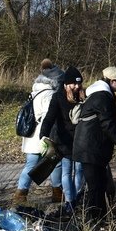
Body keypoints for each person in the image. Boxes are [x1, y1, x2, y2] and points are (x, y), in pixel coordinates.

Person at [73, 66, 116, 221]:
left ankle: (100, 218)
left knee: (100, 185)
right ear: (112, 81)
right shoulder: (102, 97)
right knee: (95, 187)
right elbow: (108, 124)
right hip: (90, 148)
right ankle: (92, 221)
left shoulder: (100, 94)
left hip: (91, 148)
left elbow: (112, 123)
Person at [15, 59, 64, 204]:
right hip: (43, 135)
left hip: (32, 136)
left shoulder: (36, 90)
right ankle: (57, 192)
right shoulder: (49, 94)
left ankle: (21, 193)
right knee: (55, 162)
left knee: (30, 164)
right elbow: (49, 117)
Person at [38, 66, 86, 212]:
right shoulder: (58, 97)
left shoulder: (84, 96)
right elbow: (49, 119)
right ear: (66, 84)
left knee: (79, 170)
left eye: (79, 83)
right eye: (73, 84)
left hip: (80, 140)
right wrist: (43, 136)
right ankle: (70, 201)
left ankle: (77, 197)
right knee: (67, 171)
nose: (77, 86)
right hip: (64, 141)